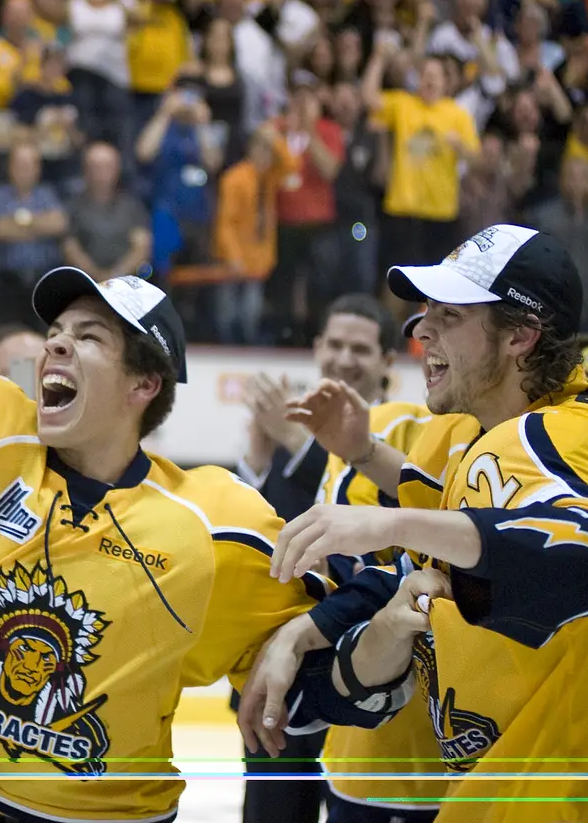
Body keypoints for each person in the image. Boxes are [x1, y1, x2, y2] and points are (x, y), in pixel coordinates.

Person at [0, 264, 353, 820]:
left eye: (88, 335)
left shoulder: (211, 519)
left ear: (144, 384)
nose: (57, 343)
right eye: (57, 331)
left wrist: (302, 632)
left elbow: (346, 639)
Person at [240, 224, 588, 819]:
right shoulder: (472, 434)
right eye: (426, 310)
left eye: (451, 315)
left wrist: (389, 525)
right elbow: (433, 560)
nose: (421, 329)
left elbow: (581, 554)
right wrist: (301, 631)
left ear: (521, 337)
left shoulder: (558, 433)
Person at [234, 294, 447, 823]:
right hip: (342, 717)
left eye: (360, 347)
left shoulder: (410, 427)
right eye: (335, 344)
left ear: (386, 361)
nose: (345, 358)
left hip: (409, 736)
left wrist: (304, 629)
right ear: (316, 348)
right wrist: (264, 459)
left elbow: (406, 561)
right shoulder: (333, 440)